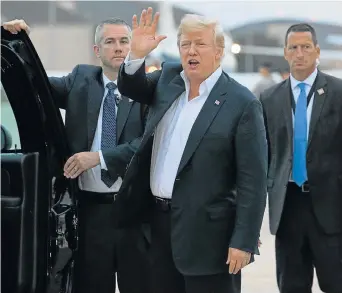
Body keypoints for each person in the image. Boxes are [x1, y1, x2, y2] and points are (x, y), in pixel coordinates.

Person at [115, 7, 268, 293]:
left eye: (200, 43)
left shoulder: (242, 102)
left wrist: (243, 240)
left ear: (219, 50)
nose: (191, 51)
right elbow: (130, 87)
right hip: (157, 230)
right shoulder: (167, 79)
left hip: (210, 240)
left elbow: (253, 181)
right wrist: (135, 55)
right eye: (185, 44)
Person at [3, 18, 150, 293]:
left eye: (124, 41)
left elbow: (148, 143)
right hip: (90, 214)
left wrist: (98, 158)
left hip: (135, 214)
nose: (118, 48)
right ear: (97, 50)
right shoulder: (81, 79)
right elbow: (34, 85)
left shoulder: (148, 88)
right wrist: (21, 42)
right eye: (110, 41)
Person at [260, 23, 342, 293]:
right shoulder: (269, 98)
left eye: (306, 47)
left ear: (317, 51)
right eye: (293, 48)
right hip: (288, 209)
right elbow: (265, 157)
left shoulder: (338, 93)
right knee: (291, 286)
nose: (300, 53)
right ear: (285, 52)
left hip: (331, 211)